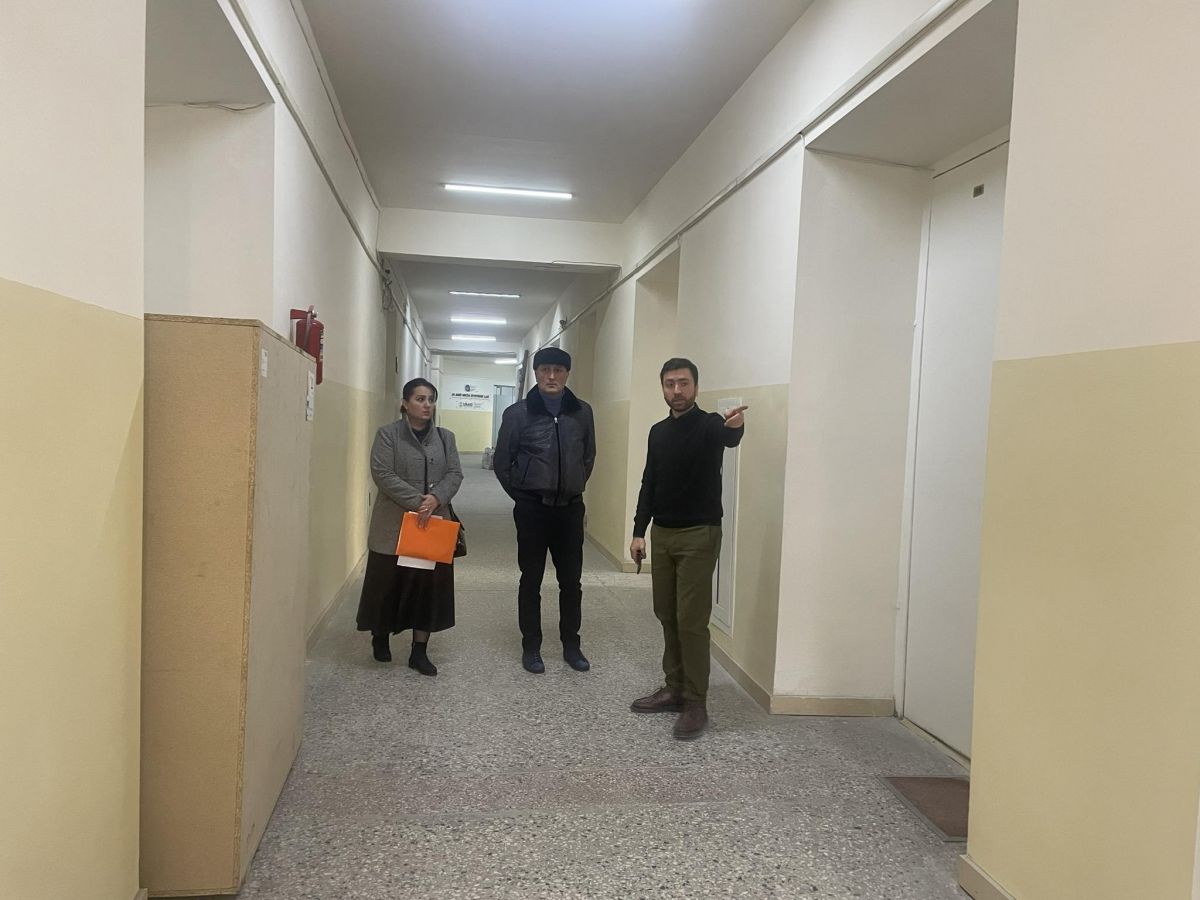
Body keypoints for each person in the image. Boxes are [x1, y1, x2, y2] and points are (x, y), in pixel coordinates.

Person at [628, 358, 747, 739]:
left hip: (699, 533)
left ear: (695, 386)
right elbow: (649, 481)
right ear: (662, 387)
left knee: (691, 619)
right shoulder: (658, 432)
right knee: (666, 613)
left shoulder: (709, 424)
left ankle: (696, 701)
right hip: (662, 533)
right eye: (669, 384)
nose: (676, 390)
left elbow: (729, 437)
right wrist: (639, 531)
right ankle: (675, 688)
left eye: (683, 383)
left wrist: (736, 425)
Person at [494, 347, 597, 674]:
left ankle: (571, 644)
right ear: (536, 373)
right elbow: (502, 462)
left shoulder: (582, 412)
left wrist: (572, 484)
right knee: (531, 579)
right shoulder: (517, 414)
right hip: (532, 510)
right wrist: (523, 495)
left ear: (567, 374)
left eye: (558, 370)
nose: (552, 376)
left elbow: (588, 456)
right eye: (545, 370)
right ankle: (531, 646)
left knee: (572, 581)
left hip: (570, 510)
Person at [356, 377, 463, 676]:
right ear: (405, 403)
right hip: (393, 525)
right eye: (420, 399)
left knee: (426, 589)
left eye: (430, 399)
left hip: (432, 526)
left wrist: (437, 498)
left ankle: (419, 651)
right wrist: (420, 502)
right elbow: (383, 473)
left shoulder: (446, 438)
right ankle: (381, 635)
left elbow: (455, 473)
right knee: (387, 585)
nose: (427, 405)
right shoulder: (388, 435)